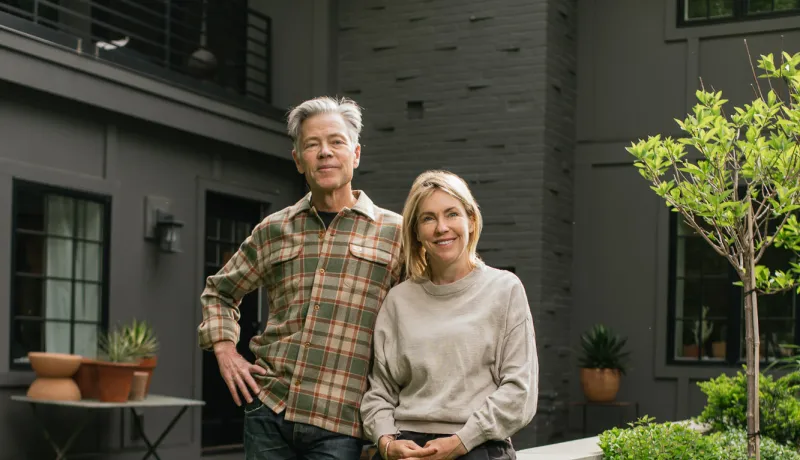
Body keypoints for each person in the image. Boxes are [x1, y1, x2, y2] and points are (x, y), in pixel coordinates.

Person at [197, 96, 421, 460]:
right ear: (298, 159)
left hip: (343, 422)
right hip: (269, 408)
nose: (325, 153)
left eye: (336, 142)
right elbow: (219, 292)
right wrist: (224, 349)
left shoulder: (396, 234)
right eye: (312, 145)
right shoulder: (274, 229)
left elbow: (426, 314)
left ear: (356, 154)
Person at [361, 170, 539, 460]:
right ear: (417, 232)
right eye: (428, 218)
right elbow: (379, 392)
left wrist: (462, 440)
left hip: (478, 446)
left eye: (452, 214)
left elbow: (520, 391)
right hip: (406, 449)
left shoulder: (504, 290)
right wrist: (386, 442)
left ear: (471, 219)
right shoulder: (398, 300)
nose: (441, 227)